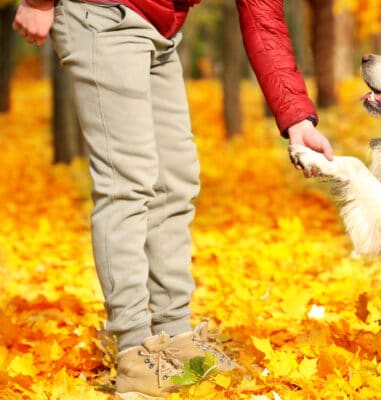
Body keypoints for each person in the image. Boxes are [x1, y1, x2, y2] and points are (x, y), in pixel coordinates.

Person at [13, 0, 333, 398]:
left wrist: (296, 119)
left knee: (176, 181)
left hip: (160, 29)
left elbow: (263, 17)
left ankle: (175, 338)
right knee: (126, 183)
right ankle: (134, 354)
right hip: (102, 15)